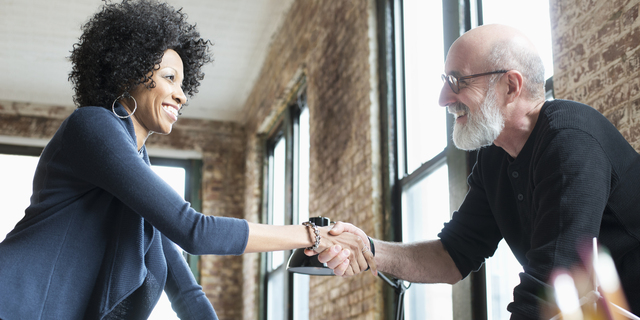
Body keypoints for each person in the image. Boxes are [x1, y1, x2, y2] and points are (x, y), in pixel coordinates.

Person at [0, 1, 375, 319]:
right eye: (169, 78)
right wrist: (312, 233)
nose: (181, 96)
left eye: (183, 84)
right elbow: (194, 230)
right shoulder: (94, 125)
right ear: (129, 72)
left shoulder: (134, 170)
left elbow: (186, 290)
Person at [321, 24, 640, 319]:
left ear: (510, 86)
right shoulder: (494, 158)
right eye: (444, 82)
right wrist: (368, 247)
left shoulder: (569, 138)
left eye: (457, 81)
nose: (443, 99)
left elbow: (552, 281)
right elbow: (453, 255)